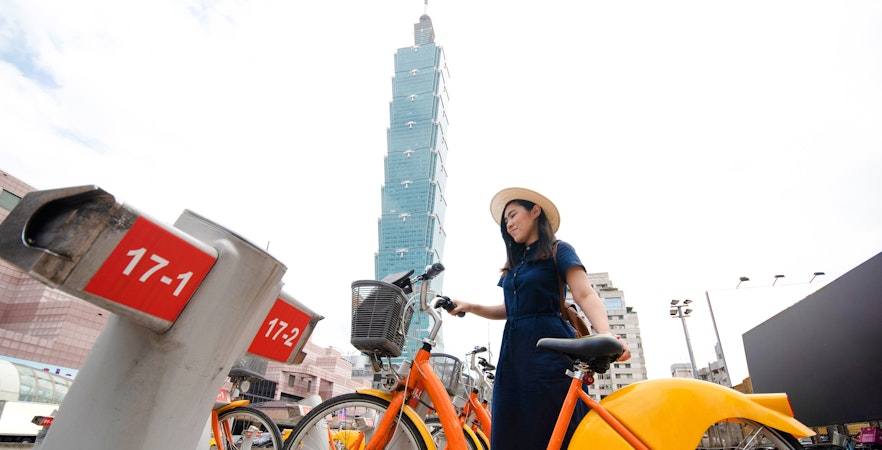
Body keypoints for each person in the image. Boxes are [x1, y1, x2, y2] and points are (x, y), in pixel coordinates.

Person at [447, 187, 632, 449]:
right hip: (513, 354)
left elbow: (584, 293)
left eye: (513, 215)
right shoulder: (516, 263)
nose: (509, 224)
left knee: (555, 426)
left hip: (551, 350)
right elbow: (511, 310)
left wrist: (606, 334)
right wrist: (471, 306)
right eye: (505, 221)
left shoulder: (559, 250)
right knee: (513, 427)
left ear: (535, 211)